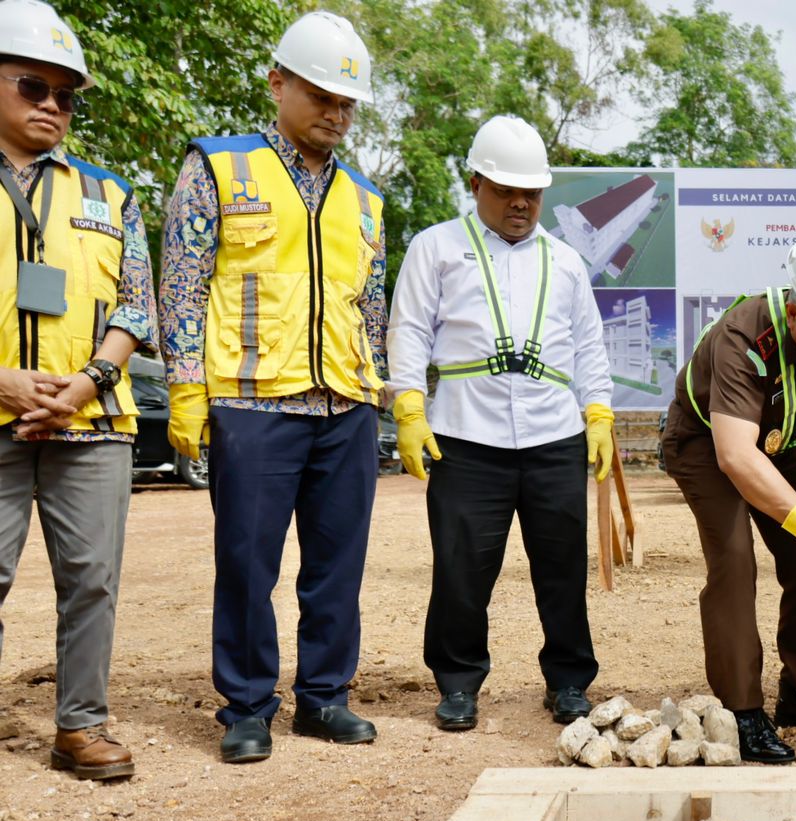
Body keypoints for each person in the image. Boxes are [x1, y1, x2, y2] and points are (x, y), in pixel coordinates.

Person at [159, 11, 387, 764]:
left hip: (344, 405)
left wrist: (377, 391)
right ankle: (248, 707)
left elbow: (370, 305)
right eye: (321, 95)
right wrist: (186, 387)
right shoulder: (219, 167)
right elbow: (183, 284)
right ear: (277, 83)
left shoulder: (365, 196)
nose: (336, 113)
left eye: (347, 103)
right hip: (252, 404)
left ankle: (324, 697)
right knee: (247, 565)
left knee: (337, 568)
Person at [387, 115, 613, 732]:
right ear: (475, 184)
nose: (521, 203)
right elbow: (409, 330)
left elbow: (588, 345)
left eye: (532, 193)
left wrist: (597, 411)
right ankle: (458, 683)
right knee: (461, 570)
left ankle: (569, 681)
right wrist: (409, 405)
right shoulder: (435, 247)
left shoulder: (566, 261)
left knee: (562, 570)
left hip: (553, 436)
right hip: (466, 437)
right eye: (507, 191)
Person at [0, 0, 156, 780]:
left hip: (90, 420)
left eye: (66, 95)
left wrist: (89, 381)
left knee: (91, 580)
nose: (53, 106)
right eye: (33, 87)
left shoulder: (109, 193)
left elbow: (137, 305)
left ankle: (81, 727)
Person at [661, 224, 796, 764]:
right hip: (707, 442)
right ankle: (742, 710)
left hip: (777, 440)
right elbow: (736, 456)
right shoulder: (744, 338)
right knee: (735, 561)